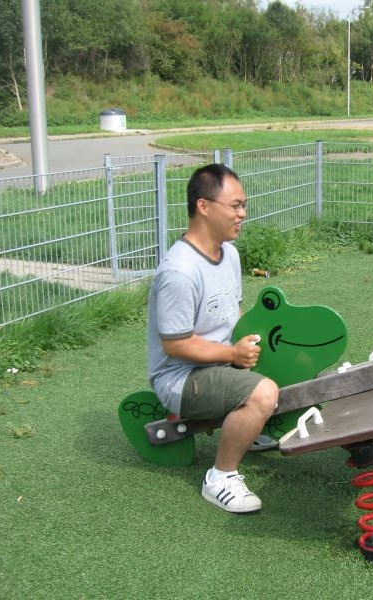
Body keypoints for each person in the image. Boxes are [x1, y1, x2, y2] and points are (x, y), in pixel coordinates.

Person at [147, 163, 279, 512]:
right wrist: (233, 355)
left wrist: (251, 346)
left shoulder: (229, 253)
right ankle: (220, 477)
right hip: (180, 378)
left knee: (285, 355)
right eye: (235, 205)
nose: (242, 214)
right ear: (204, 206)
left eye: (243, 205)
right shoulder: (180, 271)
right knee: (264, 393)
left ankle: (248, 426)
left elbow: (233, 314)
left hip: (221, 362)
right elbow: (175, 344)